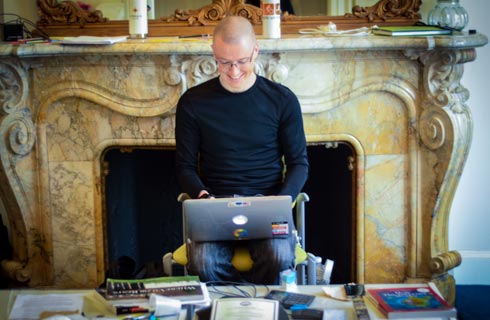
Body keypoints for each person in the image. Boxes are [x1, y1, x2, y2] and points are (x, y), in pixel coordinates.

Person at [175, 16, 308, 284]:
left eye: (242, 61)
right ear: (214, 53)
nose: (234, 71)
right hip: (214, 207)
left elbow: (299, 163)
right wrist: (202, 197)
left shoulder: (283, 100)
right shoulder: (192, 103)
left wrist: (282, 201)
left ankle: (259, 309)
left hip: (269, 205)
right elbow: (184, 166)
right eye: (224, 62)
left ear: (256, 51)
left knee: (280, 257)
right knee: (203, 261)